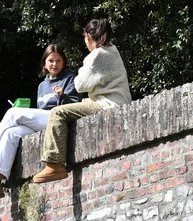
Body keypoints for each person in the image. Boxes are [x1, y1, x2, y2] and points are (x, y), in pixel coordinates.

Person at [0, 43, 81, 203]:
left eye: (58, 61)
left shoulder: (69, 78)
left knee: (13, 113)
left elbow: (76, 104)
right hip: (45, 125)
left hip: (59, 121)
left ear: (64, 63)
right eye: (51, 61)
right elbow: (40, 110)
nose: (54, 64)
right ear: (45, 63)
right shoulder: (42, 86)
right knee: (11, 132)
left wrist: (63, 95)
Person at [33, 17, 131, 184]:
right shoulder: (113, 50)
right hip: (116, 101)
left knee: (58, 112)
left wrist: (84, 67)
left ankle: (55, 164)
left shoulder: (96, 56)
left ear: (87, 36)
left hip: (106, 104)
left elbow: (80, 85)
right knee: (73, 106)